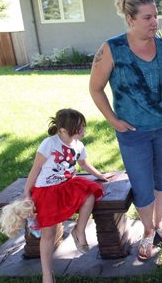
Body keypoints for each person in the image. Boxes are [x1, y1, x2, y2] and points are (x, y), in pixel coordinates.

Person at [89, 0, 162, 260]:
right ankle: (147, 230)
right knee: (142, 184)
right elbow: (96, 89)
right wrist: (113, 121)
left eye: (155, 15)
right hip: (133, 132)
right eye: (147, 17)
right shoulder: (112, 48)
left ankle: (160, 223)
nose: (154, 21)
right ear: (130, 19)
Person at [22, 108, 111, 283]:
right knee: (49, 233)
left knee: (90, 195)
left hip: (67, 185)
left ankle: (79, 230)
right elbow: (36, 168)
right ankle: (47, 274)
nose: (83, 131)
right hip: (47, 190)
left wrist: (100, 175)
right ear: (63, 130)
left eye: (83, 127)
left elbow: (83, 163)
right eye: (79, 128)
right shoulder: (49, 143)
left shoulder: (78, 144)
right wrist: (27, 193)